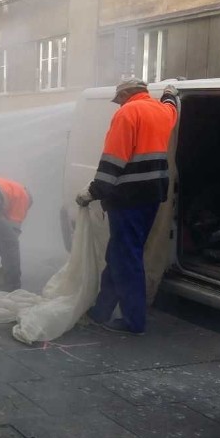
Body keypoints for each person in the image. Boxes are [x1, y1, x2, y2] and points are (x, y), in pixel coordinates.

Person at [76, 79, 180, 335]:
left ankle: (134, 321)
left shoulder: (127, 113)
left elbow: (113, 160)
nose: (118, 104)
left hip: (128, 198)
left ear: (126, 94)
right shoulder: (162, 111)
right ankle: (101, 311)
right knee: (119, 254)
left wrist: (92, 192)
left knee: (127, 258)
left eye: (119, 99)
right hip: (152, 196)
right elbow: (172, 108)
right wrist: (170, 93)